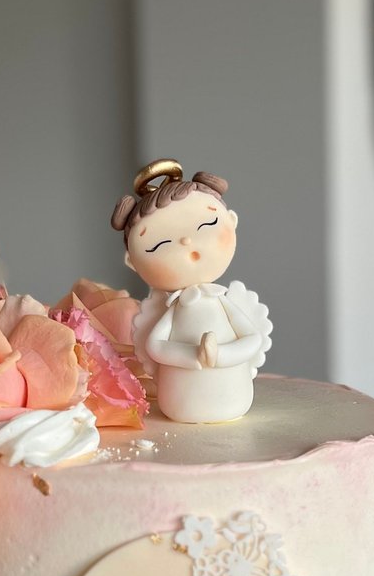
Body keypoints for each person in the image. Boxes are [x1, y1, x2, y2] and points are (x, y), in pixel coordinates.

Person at [111, 160, 271, 423]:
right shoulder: (174, 310)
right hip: (181, 397)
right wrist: (191, 356)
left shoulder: (224, 303)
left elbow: (252, 338)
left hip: (231, 391)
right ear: (132, 262)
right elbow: (155, 345)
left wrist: (221, 355)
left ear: (231, 221)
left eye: (207, 225)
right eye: (160, 244)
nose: (186, 241)